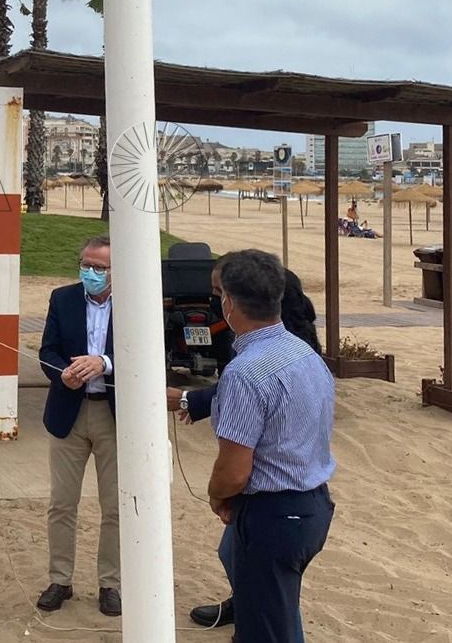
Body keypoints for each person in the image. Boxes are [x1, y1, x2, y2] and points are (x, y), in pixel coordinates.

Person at [168, 264, 323, 630]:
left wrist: (217, 495)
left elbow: (234, 470)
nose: (215, 300)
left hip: (273, 511)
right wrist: (196, 400)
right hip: (309, 502)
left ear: (231, 303)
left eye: (219, 293)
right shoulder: (303, 352)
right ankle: (246, 604)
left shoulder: (245, 371)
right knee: (271, 607)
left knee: (271, 625)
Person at [36, 235, 121, 618]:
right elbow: (47, 352)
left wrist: (104, 362)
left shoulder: (137, 301)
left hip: (114, 414)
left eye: (99, 268)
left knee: (115, 506)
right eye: (85, 265)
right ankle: (60, 579)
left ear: (116, 271)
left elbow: (153, 351)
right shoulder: (62, 298)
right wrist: (62, 374)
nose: (90, 273)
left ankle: (111, 583)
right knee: (61, 503)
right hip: (69, 411)